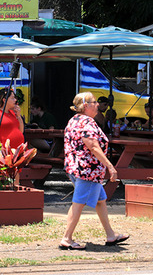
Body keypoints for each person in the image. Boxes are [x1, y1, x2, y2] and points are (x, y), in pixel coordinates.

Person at [59, 91, 129, 250]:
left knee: (100, 201)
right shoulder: (88, 122)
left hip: (74, 167)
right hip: (87, 170)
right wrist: (110, 166)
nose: (97, 105)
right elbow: (92, 145)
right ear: (85, 106)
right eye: (94, 102)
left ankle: (111, 235)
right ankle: (67, 238)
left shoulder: (73, 120)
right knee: (78, 203)